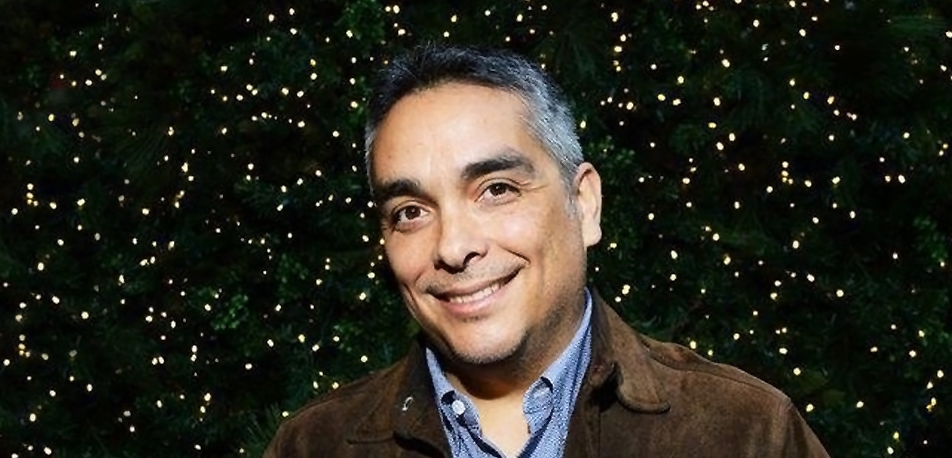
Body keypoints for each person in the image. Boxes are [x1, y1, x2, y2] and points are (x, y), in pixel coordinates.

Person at [263, 44, 830, 458]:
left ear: (583, 204)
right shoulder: (314, 446)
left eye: (496, 190)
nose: (454, 247)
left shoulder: (745, 432)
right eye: (410, 211)